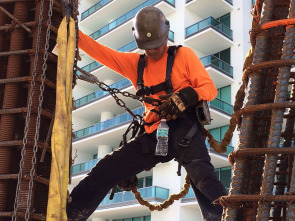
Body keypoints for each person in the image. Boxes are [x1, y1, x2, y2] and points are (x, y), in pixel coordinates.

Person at [67, 6, 227, 221]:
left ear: (166, 35)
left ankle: (230, 216)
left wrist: (185, 97)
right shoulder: (136, 64)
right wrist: (71, 30)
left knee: (203, 179)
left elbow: (210, 89)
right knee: (105, 169)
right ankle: (69, 215)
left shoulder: (183, 55)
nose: (152, 50)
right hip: (153, 134)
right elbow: (100, 52)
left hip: (184, 131)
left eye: (157, 45)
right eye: (147, 46)